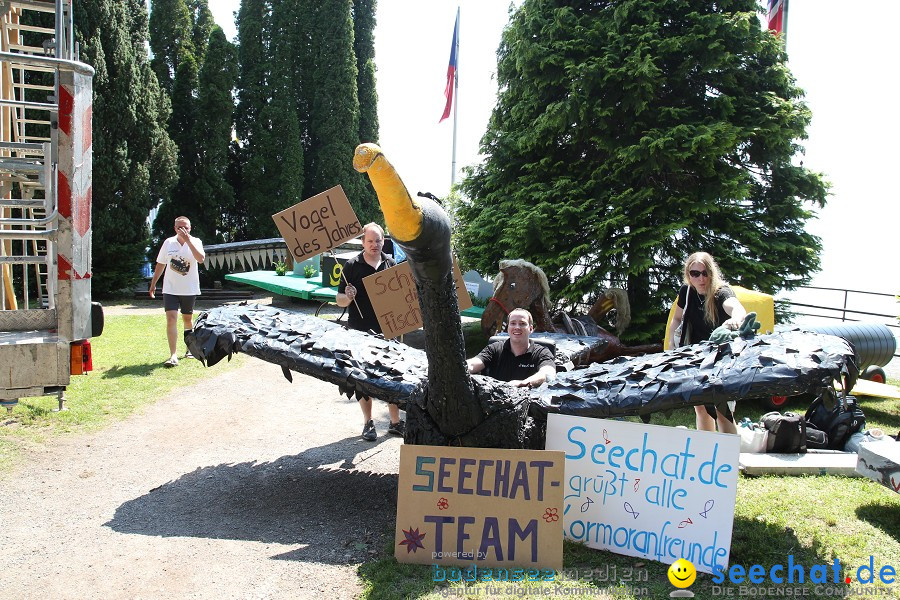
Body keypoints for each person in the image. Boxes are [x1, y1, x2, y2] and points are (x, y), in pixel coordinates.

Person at [336, 222, 405, 441]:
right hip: (360, 330)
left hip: (389, 329)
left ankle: (395, 423)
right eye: (370, 241)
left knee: (392, 374)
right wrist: (348, 296)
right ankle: (368, 423)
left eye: (378, 240)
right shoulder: (351, 266)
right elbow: (339, 301)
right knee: (363, 377)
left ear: (384, 241)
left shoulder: (391, 263)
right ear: (363, 242)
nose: (374, 245)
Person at [669, 251, 746, 434]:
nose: (701, 279)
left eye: (705, 273)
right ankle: (707, 455)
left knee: (722, 411)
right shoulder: (686, 292)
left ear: (712, 273)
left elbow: (737, 307)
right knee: (701, 408)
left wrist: (735, 319)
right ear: (689, 275)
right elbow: (677, 318)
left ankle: (727, 458)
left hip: (720, 360)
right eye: (695, 274)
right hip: (695, 359)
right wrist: (672, 346)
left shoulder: (721, 292)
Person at [149, 216, 205, 367]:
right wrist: (154, 283)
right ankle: (173, 355)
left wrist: (188, 241)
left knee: (187, 319)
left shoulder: (196, 241)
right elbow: (161, 264)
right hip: (170, 288)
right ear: (175, 228)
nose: (183, 230)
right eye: (180, 227)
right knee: (171, 319)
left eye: (186, 227)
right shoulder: (168, 243)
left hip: (189, 288)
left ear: (190, 228)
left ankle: (189, 349)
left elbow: (200, 259)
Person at [466, 308, 556, 388]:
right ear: (508, 328)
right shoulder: (494, 348)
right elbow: (473, 364)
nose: (517, 327)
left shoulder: (542, 352)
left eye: (522, 323)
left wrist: (523, 384)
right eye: (513, 323)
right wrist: (460, 367)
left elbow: (548, 374)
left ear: (531, 329)